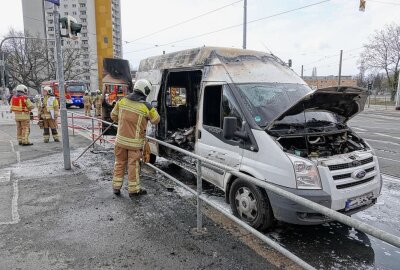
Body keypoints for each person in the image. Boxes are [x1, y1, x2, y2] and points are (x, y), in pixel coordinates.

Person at [111, 79, 160, 198]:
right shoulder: (146, 106)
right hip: (135, 144)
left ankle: (116, 188)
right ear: (145, 91)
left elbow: (113, 116)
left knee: (119, 163)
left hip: (120, 141)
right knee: (133, 165)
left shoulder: (122, 101)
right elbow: (156, 120)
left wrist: (123, 122)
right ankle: (133, 190)